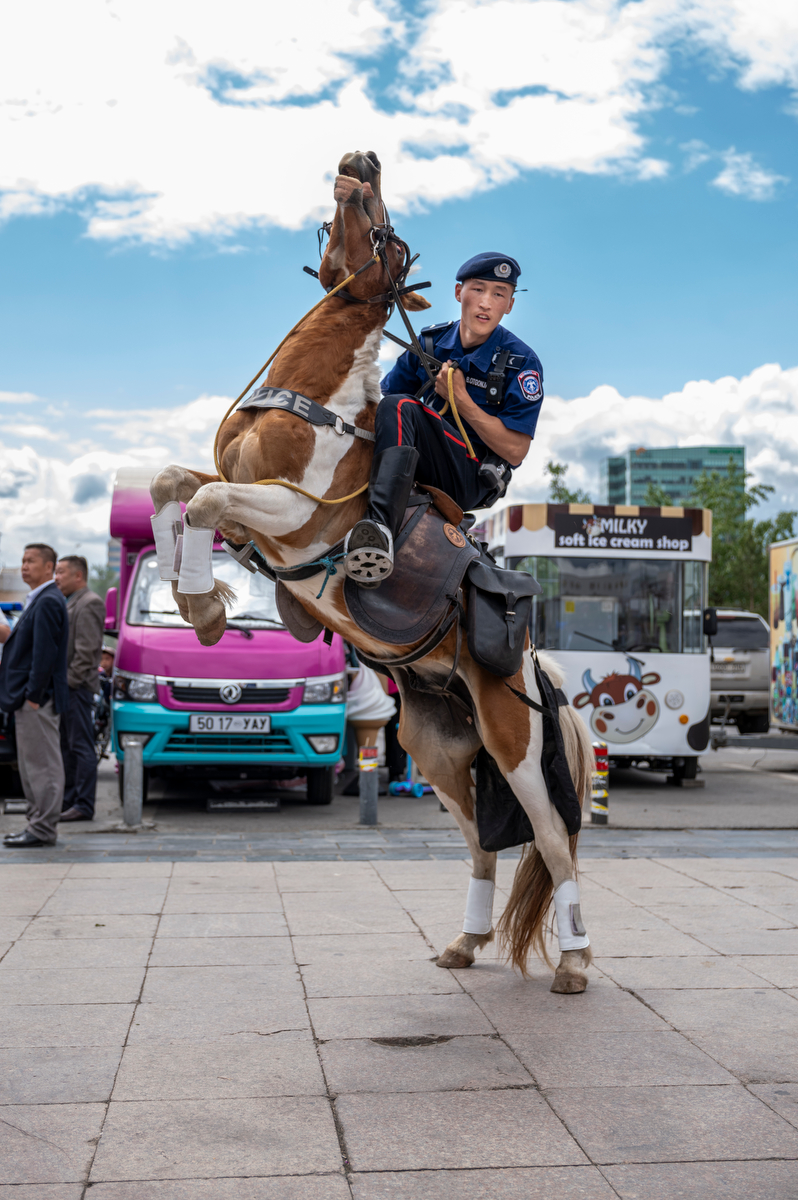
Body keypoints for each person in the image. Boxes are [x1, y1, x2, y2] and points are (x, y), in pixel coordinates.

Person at [343, 252, 544, 586]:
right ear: (458, 293)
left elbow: (516, 450)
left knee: (403, 407)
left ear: (509, 305)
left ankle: (379, 531)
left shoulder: (522, 362)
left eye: (498, 294)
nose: (486, 303)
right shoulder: (431, 343)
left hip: (468, 475)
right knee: (381, 408)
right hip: (417, 459)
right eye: (478, 289)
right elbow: (378, 406)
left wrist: (462, 401)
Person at [0, 544, 69, 848]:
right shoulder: (39, 600)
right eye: (23, 561)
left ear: (48, 567)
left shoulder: (48, 600)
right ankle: (36, 823)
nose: (24, 566)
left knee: (43, 765)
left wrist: (33, 695)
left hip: (37, 699)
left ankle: (42, 828)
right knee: (31, 765)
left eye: (31, 561)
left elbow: (45, 654)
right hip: (28, 698)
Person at [55, 555, 105, 822]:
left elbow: (86, 654)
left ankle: (84, 804)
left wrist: (68, 685)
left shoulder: (90, 603)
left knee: (81, 746)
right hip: (68, 689)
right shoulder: (71, 602)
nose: (56, 577)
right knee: (67, 746)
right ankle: (70, 800)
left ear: (78, 575)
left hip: (77, 688)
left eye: (61, 572)